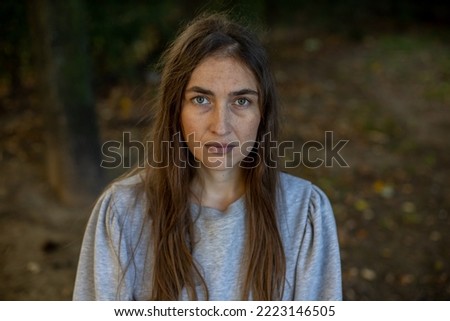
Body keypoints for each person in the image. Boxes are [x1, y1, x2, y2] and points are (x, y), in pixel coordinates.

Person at [73, 13, 342, 301]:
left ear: (263, 115)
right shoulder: (122, 213)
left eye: (241, 101)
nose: (221, 126)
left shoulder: (305, 213)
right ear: (176, 110)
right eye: (201, 99)